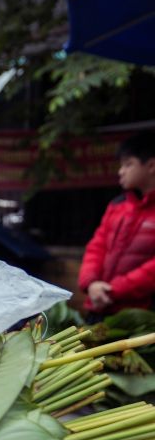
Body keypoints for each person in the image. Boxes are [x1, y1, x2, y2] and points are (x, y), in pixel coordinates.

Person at [78, 131, 155, 318]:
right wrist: (91, 283)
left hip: (140, 318)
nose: (121, 171)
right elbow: (97, 246)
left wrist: (113, 289)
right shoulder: (117, 205)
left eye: (128, 164)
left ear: (151, 165)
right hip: (98, 307)